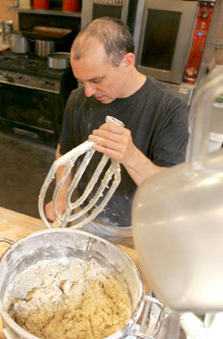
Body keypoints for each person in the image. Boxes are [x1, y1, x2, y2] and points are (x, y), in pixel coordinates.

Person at [45, 17, 188, 247]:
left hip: (138, 230)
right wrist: (61, 197)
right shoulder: (78, 99)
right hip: (85, 216)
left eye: (96, 80)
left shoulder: (169, 108)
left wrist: (131, 157)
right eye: (82, 81)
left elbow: (170, 191)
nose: (89, 92)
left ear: (127, 61)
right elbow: (65, 155)